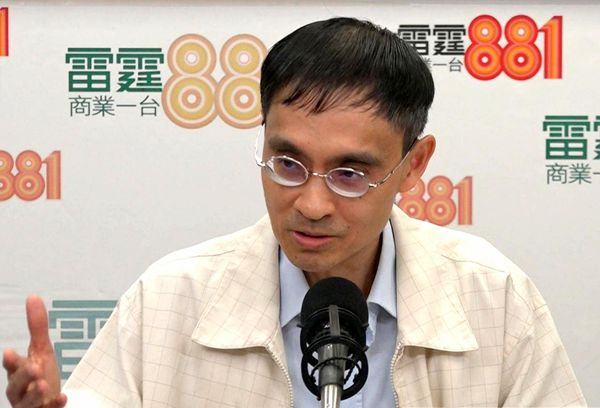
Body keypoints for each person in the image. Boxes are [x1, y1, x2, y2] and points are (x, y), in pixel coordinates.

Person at [3, 17, 586, 408]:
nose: (311, 204)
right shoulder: (170, 301)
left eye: (350, 174)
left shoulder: (494, 300)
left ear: (414, 165)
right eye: (287, 163)